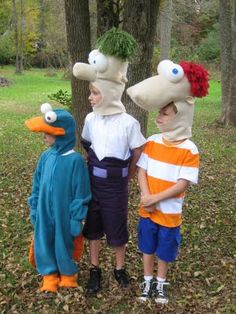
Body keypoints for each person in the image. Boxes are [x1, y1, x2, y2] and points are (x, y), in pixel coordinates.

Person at [127, 60, 209, 304]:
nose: (158, 117)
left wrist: (155, 198)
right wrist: (145, 196)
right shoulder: (153, 141)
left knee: (164, 250)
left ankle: (161, 282)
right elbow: (142, 170)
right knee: (147, 247)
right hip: (147, 210)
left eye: (164, 113)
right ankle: (147, 280)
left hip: (170, 213)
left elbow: (182, 184)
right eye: (159, 112)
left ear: (180, 114)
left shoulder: (189, 149)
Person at [73, 28, 146, 294]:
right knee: (93, 229)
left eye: (94, 93)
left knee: (117, 228)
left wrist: (129, 172)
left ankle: (119, 267)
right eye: (90, 92)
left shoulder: (129, 123)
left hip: (116, 187)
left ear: (109, 91)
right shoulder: (91, 119)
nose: (90, 98)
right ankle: (94, 269)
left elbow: (138, 149)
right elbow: (88, 146)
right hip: (93, 184)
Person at [25, 103, 91, 293]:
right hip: (44, 211)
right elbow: (37, 184)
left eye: (48, 133)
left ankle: (68, 275)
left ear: (62, 133)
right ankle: (49, 276)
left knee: (64, 243)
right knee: (44, 240)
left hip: (64, 213)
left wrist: (76, 218)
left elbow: (81, 193)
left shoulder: (75, 161)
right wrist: (35, 207)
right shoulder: (45, 157)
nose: (44, 137)